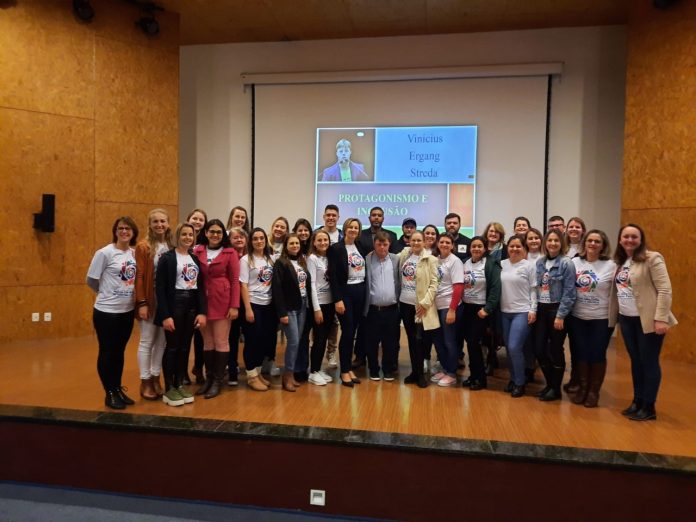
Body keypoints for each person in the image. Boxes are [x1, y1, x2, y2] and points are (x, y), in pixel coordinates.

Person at [610, 224, 677, 421]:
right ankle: (637, 401)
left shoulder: (652, 258)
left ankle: (649, 406)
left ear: (641, 240)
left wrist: (660, 318)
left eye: (634, 237)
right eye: (626, 237)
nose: (629, 240)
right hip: (626, 319)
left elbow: (665, 290)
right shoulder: (620, 261)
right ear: (620, 239)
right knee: (636, 361)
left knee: (649, 361)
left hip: (648, 320)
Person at [86, 216, 139, 409]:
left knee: (119, 351)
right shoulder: (104, 253)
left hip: (127, 311)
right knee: (107, 351)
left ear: (133, 233)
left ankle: (117, 388)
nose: (124, 232)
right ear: (115, 231)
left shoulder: (134, 254)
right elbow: (91, 280)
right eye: (120, 228)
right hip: (106, 312)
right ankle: (109, 391)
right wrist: (105, 293)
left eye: (128, 229)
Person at [155, 223, 207, 407]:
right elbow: (160, 289)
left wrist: (202, 312)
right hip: (174, 305)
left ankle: (179, 383)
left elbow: (200, 288)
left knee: (185, 347)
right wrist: (165, 315)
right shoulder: (167, 258)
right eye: (184, 234)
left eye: (190, 235)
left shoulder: (194, 259)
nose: (187, 237)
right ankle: (169, 388)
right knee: (172, 347)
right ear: (177, 236)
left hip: (191, 306)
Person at [569, 230, 616, 407]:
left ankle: (593, 391)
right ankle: (582, 388)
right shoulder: (575, 262)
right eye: (590, 240)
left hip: (601, 319)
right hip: (577, 317)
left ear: (603, 246)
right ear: (584, 243)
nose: (593, 244)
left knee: (597, 354)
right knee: (581, 353)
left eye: (597, 241)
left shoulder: (611, 265)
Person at [193, 220, 240, 399]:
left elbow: (235, 281)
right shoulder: (197, 251)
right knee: (207, 342)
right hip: (202, 301)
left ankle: (218, 381)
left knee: (221, 341)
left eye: (219, 232)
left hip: (223, 301)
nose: (215, 235)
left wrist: (234, 305)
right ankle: (209, 378)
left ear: (223, 234)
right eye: (212, 231)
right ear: (205, 232)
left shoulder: (230, 252)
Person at [534, 229, 576, 402]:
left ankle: (555, 388)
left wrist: (561, 315)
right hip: (541, 309)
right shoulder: (540, 262)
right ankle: (550, 384)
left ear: (561, 243)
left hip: (556, 309)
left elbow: (570, 292)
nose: (552, 243)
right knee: (538, 349)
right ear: (545, 243)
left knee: (555, 349)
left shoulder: (566, 263)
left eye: (556, 241)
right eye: (549, 240)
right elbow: (536, 287)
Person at [134, 208, 172, 401]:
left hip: (166, 301)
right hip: (149, 299)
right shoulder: (143, 247)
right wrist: (142, 302)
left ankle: (156, 377)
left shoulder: (171, 245)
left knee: (162, 342)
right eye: (155, 221)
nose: (159, 225)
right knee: (147, 341)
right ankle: (145, 381)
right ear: (149, 224)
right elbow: (139, 276)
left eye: (163, 221)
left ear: (168, 223)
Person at [327, 218, 368, 387]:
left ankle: (348, 367)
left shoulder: (360, 247)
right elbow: (333, 276)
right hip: (345, 294)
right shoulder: (336, 248)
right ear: (345, 229)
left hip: (360, 291)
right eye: (350, 227)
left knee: (354, 331)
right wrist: (338, 299)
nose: (353, 230)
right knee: (348, 331)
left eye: (356, 227)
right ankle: (344, 371)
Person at [398, 230, 440, 388]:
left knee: (419, 339)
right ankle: (414, 372)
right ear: (409, 242)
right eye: (413, 240)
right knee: (411, 339)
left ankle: (421, 374)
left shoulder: (431, 259)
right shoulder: (404, 256)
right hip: (404, 304)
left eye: (418, 240)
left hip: (420, 306)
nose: (416, 243)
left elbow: (434, 283)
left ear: (424, 242)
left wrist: (425, 304)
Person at [461, 235, 501, 390]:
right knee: (471, 344)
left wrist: (487, 309)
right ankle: (473, 376)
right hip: (467, 308)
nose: (476, 249)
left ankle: (481, 379)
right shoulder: (465, 262)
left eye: (479, 246)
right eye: (474, 246)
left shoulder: (491, 264)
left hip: (481, 310)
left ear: (485, 249)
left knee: (475, 343)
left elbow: (496, 289)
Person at [499, 234, 537, 398]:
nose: (514, 249)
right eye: (511, 246)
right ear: (507, 248)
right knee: (509, 348)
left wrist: (533, 309)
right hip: (504, 312)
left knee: (515, 346)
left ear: (524, 248)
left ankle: (520, 383)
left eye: (518, 246)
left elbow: (534, 289)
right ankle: (513, 379)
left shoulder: (529, 266)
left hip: (522, 311)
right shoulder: (502, 264)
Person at [240, 228, 277, 391]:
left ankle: (258, 372)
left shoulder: (271, 258)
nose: (259, 241)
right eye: (255, 238)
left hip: (269, 306)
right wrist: (248, 309)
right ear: (250, 241)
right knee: (252, 341)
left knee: (264, 341)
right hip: (253, 304)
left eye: (262, 238)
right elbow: (243, 285)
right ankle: (251, 376)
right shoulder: (245, 260)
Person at [272, 234, 311, 392]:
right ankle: (287, 375)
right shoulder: (281, 263)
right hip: (289, 308)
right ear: (286, 246)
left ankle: (291, 374)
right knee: (293, 341)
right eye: (291, 243)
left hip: (302, 306)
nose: (295, 245)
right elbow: (277, 289)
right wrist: (282, 313)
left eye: (297, 243)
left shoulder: (302, 261)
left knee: (298, 341)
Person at [363, 231, 401, 381]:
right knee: (371, 342)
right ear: (374, 244)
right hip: (373, 309)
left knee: (390, 342)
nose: (382, 247)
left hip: (392, 309)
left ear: (389, 244)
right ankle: (373, 369)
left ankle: (387, 369)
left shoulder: (396, 259)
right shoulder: (367, 259)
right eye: (379, 244)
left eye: (385, 244)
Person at [430, 233, 464, 387]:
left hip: (449, 306)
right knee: (438, 341)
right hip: (435, 307)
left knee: (449, 341)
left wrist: (452, 310)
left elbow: (458, 287)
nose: (444, 244)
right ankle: (444, 368)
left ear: (452, 246)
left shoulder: (455, 261)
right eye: (442, 242)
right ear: (438, 244)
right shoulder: (436, 260)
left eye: (447, 242)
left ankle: (451, 372)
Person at [305, 230, 336, 386]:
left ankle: (318, 368)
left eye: (326, 240)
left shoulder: (330, 258)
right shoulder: (312, 258)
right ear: (314, 242)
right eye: (320, 240)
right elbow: (311, 284)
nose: (323, 243)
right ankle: (313, 372)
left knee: (324, 338)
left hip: (330, 304)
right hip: (319, 305)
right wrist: (316, 308)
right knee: (318, 338)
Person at [187, 208, 208, 385]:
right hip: (184, 295)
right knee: (185, 336)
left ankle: (199, 367)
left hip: (201, 293)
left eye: (201, 220)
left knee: (201, 335)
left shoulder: (206, 244)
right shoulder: (182, 241)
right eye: (195, 218)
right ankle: (181, 373)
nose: (198, 222)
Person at [319, 204, 341, 368]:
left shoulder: (342, 235)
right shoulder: (317, 233)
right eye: (328, 215)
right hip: (319, 285)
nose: (331, 218)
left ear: (338, 217)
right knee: (319, 322)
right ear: (324, 216)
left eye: (334, 215)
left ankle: (331, 352)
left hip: (336, 286)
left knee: (334, 322)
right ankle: (317, 351)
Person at [227, 227, 248, 386]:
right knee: (232, 337)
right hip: (232, 302)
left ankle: (252, 369)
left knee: (251, 337)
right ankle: (232, 369)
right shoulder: (227, 255)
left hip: (248, 302)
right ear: (229, 240)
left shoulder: (250, 256)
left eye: (242, 237)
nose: (239, 239)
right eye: (235, 237)